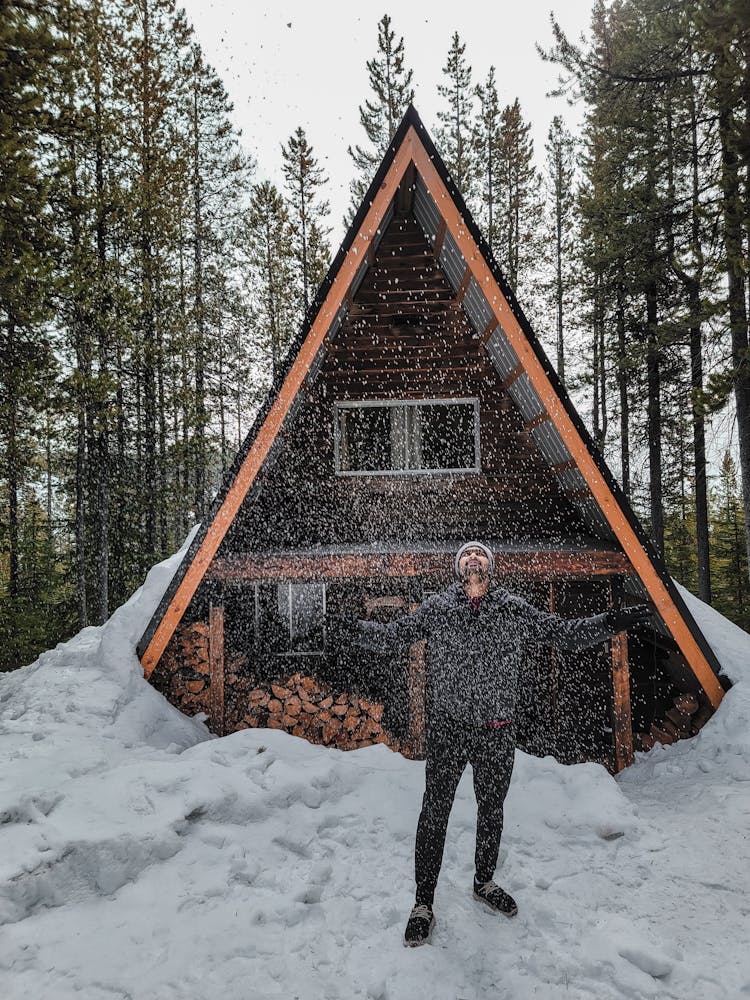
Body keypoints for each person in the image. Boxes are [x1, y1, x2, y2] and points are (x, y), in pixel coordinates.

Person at [353, 541, 651, 947]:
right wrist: (353, 630)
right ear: (457, 568)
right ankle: (423, 903)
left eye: (480, 555)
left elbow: (563, 634)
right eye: (466, 555)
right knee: (434, 813)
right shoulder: (439, 608)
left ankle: (484, 881)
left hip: (497, 731)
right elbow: (393, 636)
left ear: (490, 568)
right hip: (449, 729)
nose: (473, 558)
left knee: (491, 809)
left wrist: (612, 620)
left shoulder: (511, 608)